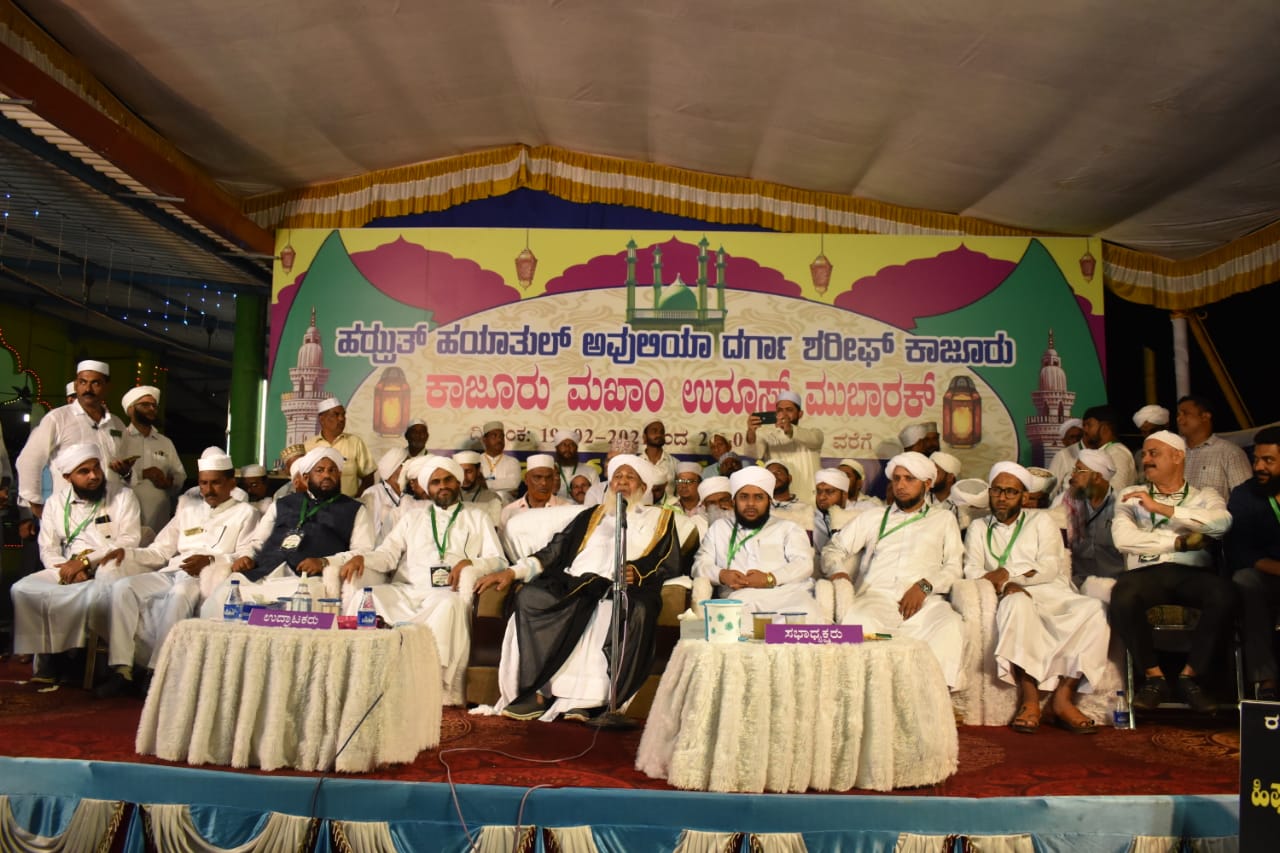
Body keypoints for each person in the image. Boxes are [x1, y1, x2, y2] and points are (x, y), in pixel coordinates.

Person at [477, 454, 685, 722]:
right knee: (531, 596)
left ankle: (589, 702)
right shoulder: (592, 515)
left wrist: (639, 571)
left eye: (630, 477)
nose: (622, 482)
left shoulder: (661, 518)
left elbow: (668, 560)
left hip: (625, 587)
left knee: (621, 609)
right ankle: (537, 693)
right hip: (576, 583)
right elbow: (554, 551)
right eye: (617, 477)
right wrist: (512, 571)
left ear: (643, 487)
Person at [341, 455, 505, 704]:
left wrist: (471, 562)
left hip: (446, 593)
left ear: (458, 482)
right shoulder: (412, 517)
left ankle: (428, 681)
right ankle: (366, 674)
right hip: (407, 589)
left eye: (448, 480)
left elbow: (499, 560)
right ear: (428, 488)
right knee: (367, 598)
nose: (443, 486)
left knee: (449, 606)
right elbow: (387, 555)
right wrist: (362, 558)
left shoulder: (477, 516)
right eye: (435, 482)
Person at [95, 450, 259, 697]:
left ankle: (156, 671)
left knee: (180, 593)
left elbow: (246, 554)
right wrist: (127, 553)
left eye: (215, 483)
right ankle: (122, 668)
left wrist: (211, 560)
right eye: (203, 483)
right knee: (123, 588)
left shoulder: (246, 513)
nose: (208, 490)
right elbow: (160, 550)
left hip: (205, 577)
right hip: (174, 569)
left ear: (231, 483)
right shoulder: (188, 511)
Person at [964, 462, 1109, 734]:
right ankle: (1030, 699)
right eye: (997, 490)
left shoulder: (1041, 521)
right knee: (1017, 604)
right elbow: (971, 569)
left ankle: (1063, 699)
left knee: (1095, 609)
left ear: (1024, 497)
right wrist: (1006, 584)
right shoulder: (978, 527)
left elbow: (1050, 566)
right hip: (1010, 593)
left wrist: (1009, 574)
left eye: (1010, 492)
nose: (1002, 497)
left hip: (1050, 590)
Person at [1110, 430, 1233, 713]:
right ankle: (1154, 678)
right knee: (1123, 594)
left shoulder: (1205, 495)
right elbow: (1123, 539)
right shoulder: (1130, 494)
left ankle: (1191, 677)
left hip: (1191, 574)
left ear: (1178, 457)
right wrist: (1179, 542)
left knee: (1224, 593)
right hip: (1146, 573)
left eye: (1154, 453)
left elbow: (1221, 525)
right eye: (1144, 453)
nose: (1146, 459)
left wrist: (1163, 509)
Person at [821, 451, 965, 688]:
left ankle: (933, 696)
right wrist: (838, 572)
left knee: (949, 626)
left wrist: (924, 587)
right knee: (858, 623)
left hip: (925, 602)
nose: (901, 485)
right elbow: (833, 549)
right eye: (896, 479)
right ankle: (868, 694)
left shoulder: (943, 519)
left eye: (909, 479)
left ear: (927, 483)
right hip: (877, 597)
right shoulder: (873, 517)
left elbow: (953, 567)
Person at [10, 443, 141, 682]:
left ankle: (64, 664)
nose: (94, 476)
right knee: (22, 589)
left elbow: (129, 539)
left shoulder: (123, 496)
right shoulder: (55, 503)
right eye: (84, 471)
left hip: (106, 565)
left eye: (96, 468)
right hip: (65, 566)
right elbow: (48, 547)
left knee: (87, 595)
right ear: (67, 477)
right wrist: (66, 570)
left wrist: (86, 563)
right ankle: (47, 654)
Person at [201, 448, 373, 614]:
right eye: (320, 470)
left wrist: (324, 561)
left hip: (308, 579)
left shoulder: (355, 509)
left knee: (303, 602)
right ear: (306, 477)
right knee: (223, 595)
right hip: (265, 572)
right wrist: (247, 556)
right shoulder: (282, 504)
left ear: (339, 474)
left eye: (332, 470)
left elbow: (363, 551)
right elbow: (257, 541)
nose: (327, 475)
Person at [694, 466, 822, 623]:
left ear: (769, 501)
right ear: (734, 500)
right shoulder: (719, 528)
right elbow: (699, 565)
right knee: (732, 620)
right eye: (744, 497)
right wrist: (721, 575)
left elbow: (804, 563)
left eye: (759, 497)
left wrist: (770, 578)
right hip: (740, 599)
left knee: (806, 613)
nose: (751, 504)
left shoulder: (788, 528)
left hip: (787, 595)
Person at [15, 360, 126, 517]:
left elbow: (128, 466)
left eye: (95, 383)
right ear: (75, 385)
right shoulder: (58, 418)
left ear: (107, 387)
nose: (88, 389)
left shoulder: (117, 424)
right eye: (83, 382)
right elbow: (29, 460)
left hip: (111, 509)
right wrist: (35, 504)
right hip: (69, 512)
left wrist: (127, 473)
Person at [1228, 426, 1280, 701]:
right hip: (1267, 577)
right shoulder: (1244, 495)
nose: (1258, 467)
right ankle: (1265, 681)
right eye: (1256, 459)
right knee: (1245, 581)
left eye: (1268, 460)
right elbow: (1240, 552)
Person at [115, 385, 185, 535]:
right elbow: (112, 476)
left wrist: (169, 482)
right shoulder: (120, 440)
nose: (151, 409)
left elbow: (180, 475)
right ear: (131, 409)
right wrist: (143, 473)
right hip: (127, 515)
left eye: (154, 405)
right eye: (145, 405)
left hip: (159, 517)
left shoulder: (165, 442)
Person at [1062, 448, 1124, 602]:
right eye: (1074, 470)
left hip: (1112, 587)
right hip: (1075, 584)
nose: (1073, 476)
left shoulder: (1122, 508)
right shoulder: (1067, 502)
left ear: (1097, 477)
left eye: (1079, 471)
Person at [746, 391, 823, 504]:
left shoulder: (814, 434)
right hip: (780, 502)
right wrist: (751, 432)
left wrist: (790, 429)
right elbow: (753, 453)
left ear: (800, 414)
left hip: (809, 502)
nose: (784, 414)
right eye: (780, 410)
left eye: (789, 410)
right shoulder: (768, 437)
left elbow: (814, 440)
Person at [1177, 394, 1252, 502]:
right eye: (1178, 414)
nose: (1179, 419)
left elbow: (1245, 499)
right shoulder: (1172, 451)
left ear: (1205, 416)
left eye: (1185, 413)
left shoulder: (1230, 453)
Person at [304, 397, 375, 497]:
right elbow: (302, 480)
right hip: (315, 505)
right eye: (336, 415)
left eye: (343, 415)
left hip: (348, 504)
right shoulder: (308, 446)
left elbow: (368, 478)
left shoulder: (355, 443)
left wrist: (355, 500)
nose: (341, 419)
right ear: (322, 419)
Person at [499, 454, 573, 530]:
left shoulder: (566, 509)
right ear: (526, 479)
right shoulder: (509, 511)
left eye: (548, 477)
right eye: (538, 477)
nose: (544, 483)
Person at [1079, 405, 1137, 493]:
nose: (1085, 430)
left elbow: (1117, 490)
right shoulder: (1105, 450)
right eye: (1084, 425)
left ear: (1104, 428)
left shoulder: (1117, 452)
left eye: (1089, 425)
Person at [361, 447, 410, 544]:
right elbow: (368, 532)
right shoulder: (373, 493)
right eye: (405, 465)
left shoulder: (412, 493)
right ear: (393, 468)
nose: (408, 469)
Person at [813, 468, 859, 559]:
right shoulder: (810, 520)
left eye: (829, 492)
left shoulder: (859, 517)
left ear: (844, 494)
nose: (821, 497)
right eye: (819, 491)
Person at [455, 450, 504, 526]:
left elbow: (495, 527)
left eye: (469, 472)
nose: (464, 477)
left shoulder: (492, 498)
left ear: (478, 471)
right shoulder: (449, 496)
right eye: (461, 472)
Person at [479, 421, 522, 502]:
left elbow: (513, 483)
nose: (499, 439)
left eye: (501, 436)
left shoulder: (513, 462)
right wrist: (503, 489)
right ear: (484, 440)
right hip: (481, 505)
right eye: (494, 436)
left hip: (507, 506)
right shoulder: (477, 461)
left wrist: (485, 484)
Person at [765, 460, 814, 532]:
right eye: (770, 474)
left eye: (778, 472)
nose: (774, 476)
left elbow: (810, 535)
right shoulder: (761, 508)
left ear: (789, 478)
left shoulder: (805, 508)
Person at [550, 429, 598, 499]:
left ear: (576, 448)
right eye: (563, 445)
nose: (567, 448)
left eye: (571, 445)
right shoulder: (550, 470)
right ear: (557, 448)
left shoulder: (590, 471)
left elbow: (596, 497)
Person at [1131, 405, 1170, 485]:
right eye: (1144, 432)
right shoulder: (1139, 455)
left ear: (1166, 427)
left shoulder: (1176, 452)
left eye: (1153, 431)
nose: (1149, 436)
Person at [1047, 418, 1085, 500]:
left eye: (1079, 437)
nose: (1075, 440)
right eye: (1072, 437)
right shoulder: (1062, 456)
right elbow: (1051, 487)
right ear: (1064, 441)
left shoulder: (1092, 455)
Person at [641, 420, 679, 499]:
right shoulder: (636, 463)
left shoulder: (675, 463)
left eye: (662, 432)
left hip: (669, 506)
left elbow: (679, 494)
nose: (659, 434)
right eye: (654, 431)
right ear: (645, 437)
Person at [929, 451, 967, 529]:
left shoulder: (962, 506)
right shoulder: (921, 499)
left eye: (936, 472)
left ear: (950, 477)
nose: (930, 477)